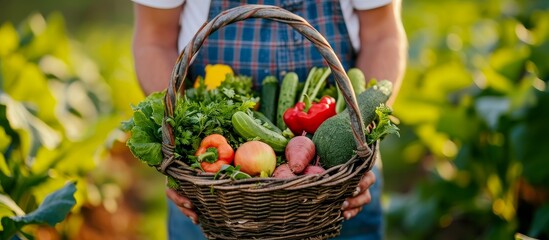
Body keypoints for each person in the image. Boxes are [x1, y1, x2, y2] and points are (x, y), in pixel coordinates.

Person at [131, 0, 406, 239]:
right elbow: (154, 38)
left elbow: (382, 36)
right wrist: (180, 155)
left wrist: (359, 142)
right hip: (212, 198)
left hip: (338, 192)